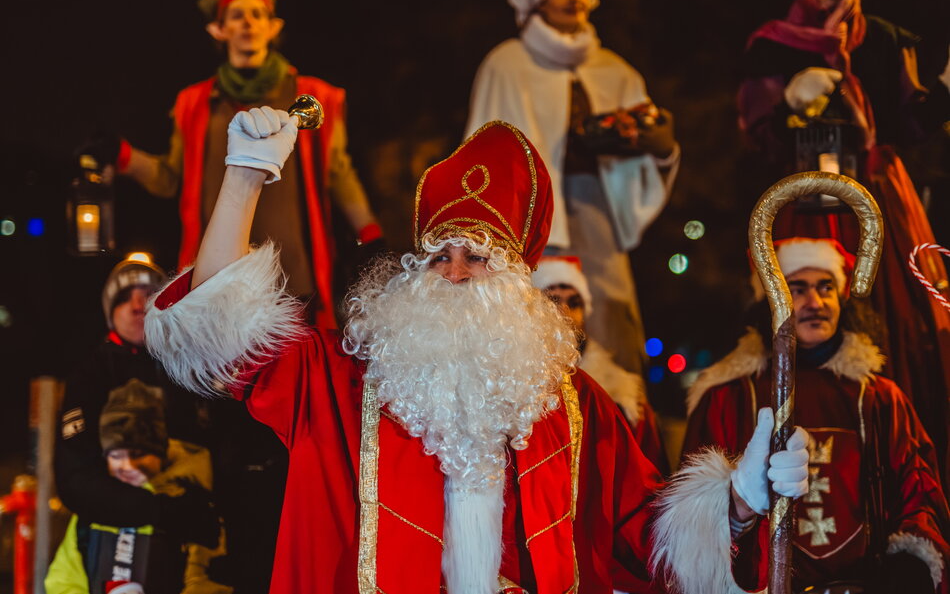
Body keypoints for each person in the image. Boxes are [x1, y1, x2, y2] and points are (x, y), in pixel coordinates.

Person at [143, 106, 810, 593]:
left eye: (478, 257)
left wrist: (740, 499)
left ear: (519, 279)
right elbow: (216, 334)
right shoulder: (341, 380)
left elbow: (650, 535)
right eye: (439, 256)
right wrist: (244, 178)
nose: (456, 273)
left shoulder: (574, 405)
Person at [737, 0, 950, 474]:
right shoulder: (771, 45)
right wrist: (788, 103)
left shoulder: (886, 39)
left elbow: (910, 124)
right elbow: (758, 136)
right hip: (807, 205)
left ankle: (898, 461)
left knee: (904, 319)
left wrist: (944, 89)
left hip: (881, 200)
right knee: (809, 313)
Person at [93, 0, 382, 327]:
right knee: (221, 375)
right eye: (237, 15)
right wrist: (123, 155)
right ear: (219, 30)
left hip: (293, 275)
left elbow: (338, 171)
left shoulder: (312, 96)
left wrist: (370, 232)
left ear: (273, 27)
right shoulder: (194, 104)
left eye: (257, 14)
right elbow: (170, 180)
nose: (248, 22)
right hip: (220, 275)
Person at [683, 237, 950, 593]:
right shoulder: (727, 397)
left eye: (826, 287)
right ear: (772, 298)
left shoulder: (880, 398)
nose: (816, 302)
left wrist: (912, 558)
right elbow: (694, 507)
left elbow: (918, 487)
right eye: (798, 288)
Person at [466, 0, 680, 375]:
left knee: (610, 319)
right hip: (529, 214)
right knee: (530, 318)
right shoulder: (506, 65)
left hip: (598, 210)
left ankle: (618, 418)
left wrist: (661, 148)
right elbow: (482, 148)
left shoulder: (614, 70)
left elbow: (648, 141)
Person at [55, 254, 219, 556]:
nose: (137, 305)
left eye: (148, 297)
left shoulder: (191, 367)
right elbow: (75, 478)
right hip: (115, 537)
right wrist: (162, 511)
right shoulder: (90, 375)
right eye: (124, 298)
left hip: (195, 536)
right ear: (109, 311)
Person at [46, 379, 229, 594]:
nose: (128, 466)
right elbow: (62, 582)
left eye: (139, 454)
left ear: (160, 452)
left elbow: (207, 582)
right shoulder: (93, 509)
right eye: (116, 455)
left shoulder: (188, 501)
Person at [531, 255, 669, 474]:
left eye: (574, 303)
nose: (565, 312)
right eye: (553, 300)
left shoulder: (623, 396)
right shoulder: (516, 384)